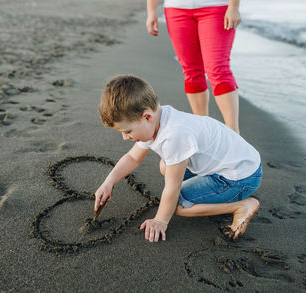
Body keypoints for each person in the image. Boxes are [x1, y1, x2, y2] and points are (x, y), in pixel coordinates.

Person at [95, 75, 262, 242]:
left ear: (147, 116)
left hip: (240, 177)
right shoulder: (157, 118)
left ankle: (241, 206)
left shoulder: (174, 135)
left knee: (179, 205)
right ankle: (209, 190)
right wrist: (108, 182)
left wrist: (160, 220)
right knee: (165, 166)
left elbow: (172, 187)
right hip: (235, 162)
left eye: (128, 131)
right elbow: (132, 157)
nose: (125, 137)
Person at [146, 0, 242, 133]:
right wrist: (151, 11)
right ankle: (203, 130)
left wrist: (234, 7)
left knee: (217, 70)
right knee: (191, 72)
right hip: (176, 10)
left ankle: (234, 134)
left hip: (215, 8)